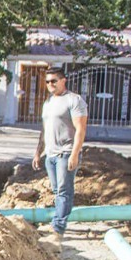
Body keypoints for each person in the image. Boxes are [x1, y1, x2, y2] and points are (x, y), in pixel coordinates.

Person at [32, 67, 88, 239]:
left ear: (63, 80)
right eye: (47, 81)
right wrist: (38, 152)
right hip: (50, 154)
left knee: (64, 191)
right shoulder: (48, 102)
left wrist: (75, 154)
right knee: (58, 191)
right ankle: (60, 222)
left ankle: (57, 228)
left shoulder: (74, 100)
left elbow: (81, 129)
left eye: (53, 81)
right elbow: (44, 130)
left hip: (66, 153)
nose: (50, 84)